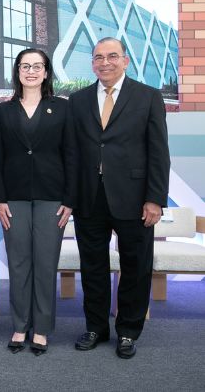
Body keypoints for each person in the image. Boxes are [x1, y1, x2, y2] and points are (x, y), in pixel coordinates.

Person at [67, 37, 170, 359]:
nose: (105, 62)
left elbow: (158, 152)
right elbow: (72, 152)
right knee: (93, 267)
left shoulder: (148, 96)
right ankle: (96, 327)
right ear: (92, 63)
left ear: (125, 60)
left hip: (136, 198)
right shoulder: (78, 99)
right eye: (98, 57)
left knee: (135, 267)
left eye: (112, 56)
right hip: (90, 198)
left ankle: (128, 332)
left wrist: (155, 198)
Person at [0, 49, 73, 356]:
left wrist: (71, 200)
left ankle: (41, 329)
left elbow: (72, 155)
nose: (31, 71)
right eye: (25, 66)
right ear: (17, 72)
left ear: (47, 72)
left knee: (45, 264)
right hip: (13, 199)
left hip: (53, 198)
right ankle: (19, 325)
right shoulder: (3, 111)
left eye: (37, 66)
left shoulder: (62, 109)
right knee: (19, 263)